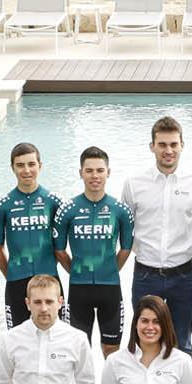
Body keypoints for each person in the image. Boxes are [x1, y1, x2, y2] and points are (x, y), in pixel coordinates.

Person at [122, 116, 192, 356]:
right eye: (162, 144)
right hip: (145, 274)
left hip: (183, 275)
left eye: (173, 144)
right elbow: (126, 228)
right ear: (152, 146)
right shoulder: (133, 184)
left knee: (182, 344)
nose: (168, 150)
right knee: (144, 343)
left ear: (182, 145)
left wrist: (189, 249)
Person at [56, 147, 135, 360]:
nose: (95, 176)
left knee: (112, 353)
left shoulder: (120, 210)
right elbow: (59, 250)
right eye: (89, 170)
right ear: (80, 172)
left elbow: (126, 248)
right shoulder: (68, 209)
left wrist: (109, 268)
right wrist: (75, 270)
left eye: (100, 170)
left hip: (110, 288)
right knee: (78, 352)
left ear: (108, 172)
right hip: (78, 289)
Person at [0, 141, 62, 331]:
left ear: (40, 166)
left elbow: (62, 245)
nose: (26, 170)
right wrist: (11, 274)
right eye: (20, 165)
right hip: (16, 281)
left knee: (56, 336)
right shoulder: (3, 206)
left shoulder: (53, 202)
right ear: (12, 168)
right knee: (16, 338)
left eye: (31, 164)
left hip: (50, 280)